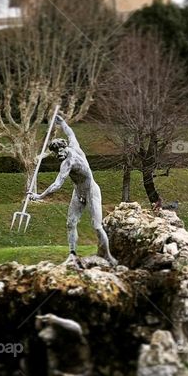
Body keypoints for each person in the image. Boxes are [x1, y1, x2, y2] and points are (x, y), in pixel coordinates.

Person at [29, 114, 116, 266]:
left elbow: (57, 185)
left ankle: (107, 255)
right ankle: (72, 254)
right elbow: (70, 133)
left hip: (91, 191)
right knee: (70, 223)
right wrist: (62, 122)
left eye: (58, 153)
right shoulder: (72, 145)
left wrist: (39, 196)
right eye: (56, 154)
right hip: (78, 192)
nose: (58, 156)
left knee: (96, 226)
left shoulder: (68, 163)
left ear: (63, 149)